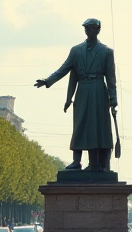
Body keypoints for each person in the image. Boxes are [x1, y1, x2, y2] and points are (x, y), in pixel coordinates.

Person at [35, 18, 119, 172]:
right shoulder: (76, 50)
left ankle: (99, 164)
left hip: (99, 91)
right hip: (83, 90)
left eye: (92, 28)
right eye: (87, 28)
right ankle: (76, 161)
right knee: (80, 124)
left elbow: (111, 78)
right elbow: (64, 69)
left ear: (98, 30)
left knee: (99, 127)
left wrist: (113, 100)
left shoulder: (106, 52)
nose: (89, 31)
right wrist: (47, 81)